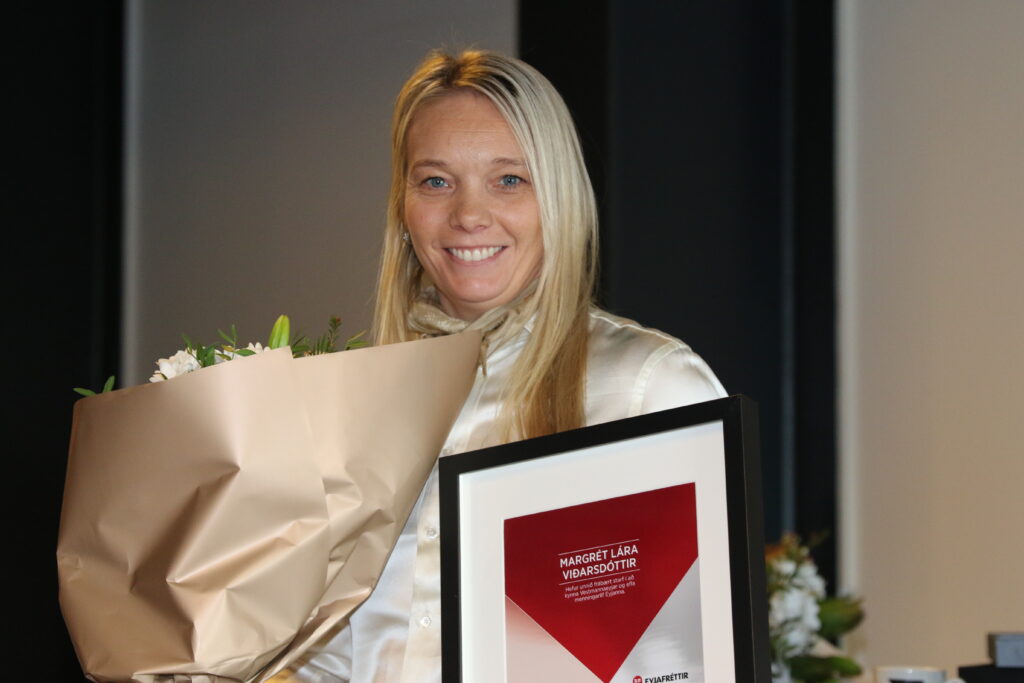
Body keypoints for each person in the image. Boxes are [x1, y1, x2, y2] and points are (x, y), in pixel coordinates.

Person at [289, 49, 725, 683]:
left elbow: (699, 657)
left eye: (509, 180)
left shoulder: (648, 387)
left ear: (559, 198)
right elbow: (326, 658)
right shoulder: (349, 403)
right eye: (436, 182)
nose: (469, 216)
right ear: (403, 208)